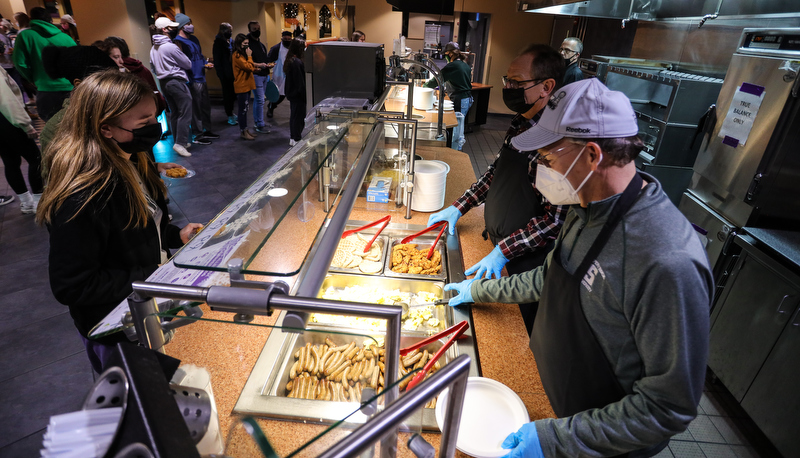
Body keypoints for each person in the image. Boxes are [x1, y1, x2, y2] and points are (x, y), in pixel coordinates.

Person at [446, 78, 713, 457]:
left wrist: (556, 440)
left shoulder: (666, 261)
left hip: (598, 439)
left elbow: (668, 405)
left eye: (548, 157)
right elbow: (553, 277)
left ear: (591, 155)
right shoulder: (585, 206)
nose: (541, 169)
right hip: (550, 397)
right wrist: (479, 291)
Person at [37, 70, 203, 374]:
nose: (155, 128)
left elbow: (142, 226)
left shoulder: (134, 160)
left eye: (154, 118)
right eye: (144, 123)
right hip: (116, 328)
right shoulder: (82, 195)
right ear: (107, 129)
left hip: (146, 307)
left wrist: (173, 236)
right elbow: (72, 285)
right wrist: (154, 275)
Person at [428, 44, 568, 335]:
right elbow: (496, 174)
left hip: (525, 263)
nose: (509, 88)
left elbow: (555, 221)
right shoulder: (521, 122)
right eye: (508, 81)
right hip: (498, 245)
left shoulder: (559, 143)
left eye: (517, 82)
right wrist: (459, 206)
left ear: (547, 86)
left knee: (512, 335)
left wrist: (503, 252)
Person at [39, 45, 118, 153]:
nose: (117, 87)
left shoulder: (118, 107)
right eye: (108, 82)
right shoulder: (57, 128)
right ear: (79, 84)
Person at [12, 7, 76, 121]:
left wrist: (32, 78)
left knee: (53, 131)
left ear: (31, 18)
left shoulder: (25, 36)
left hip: (46, 89)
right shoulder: (65, 37)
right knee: (76, 128)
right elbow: (77, 61)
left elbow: (19, 62)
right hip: (71, 89)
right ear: (50, 20)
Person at [0, 66, 42, 214]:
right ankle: (39, 202)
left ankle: (27, 203)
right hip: (7, 119)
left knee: (10, 161)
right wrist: (26, 125)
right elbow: (6, 100)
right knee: (35, 158)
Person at [150, 16, 194, 157]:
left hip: (164, 83)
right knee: (185, 111)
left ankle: (179, 141)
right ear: (165, 29)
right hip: (176, 81)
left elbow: (153, 68)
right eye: (172, 28)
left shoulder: (153, 48)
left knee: (175, 112)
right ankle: (180, 143)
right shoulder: (170, 47)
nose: (175, 29)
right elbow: (188, 64)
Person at [173, 13, 219, 143]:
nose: (191, 26)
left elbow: (199, 55)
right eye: (188, 24)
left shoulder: (194, 39)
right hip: (192, 79)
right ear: (181, 26)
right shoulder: (178, 42)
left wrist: (205, 64)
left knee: (205, 106)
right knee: (196, 108)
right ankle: (197, 135)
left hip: (201, 77)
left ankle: (206, 130)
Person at [424, 41, 472, 151]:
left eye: (446, 54)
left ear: (450, 54)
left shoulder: (452, 66)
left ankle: (455, 152)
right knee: (459, 126)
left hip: (460, 99)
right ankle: (456, 148)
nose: (445, 56)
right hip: (467, 98)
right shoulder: (464, 65)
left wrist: (425, 86)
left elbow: (437, 79)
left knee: (457, 129)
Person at [102, 36, 167, 114]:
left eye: (119, 57)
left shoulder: (126, 72)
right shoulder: (139, 67)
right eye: (116, 57)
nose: (121, 61)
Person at [232, 33, 268, 141]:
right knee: (242, 110)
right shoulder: (237, 55)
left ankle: (246, 129)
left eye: (248, 43)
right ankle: (243, 130)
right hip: (242, 86)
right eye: (245, 43)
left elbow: (249, 66)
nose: (247, 46)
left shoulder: (242, 55)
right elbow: (248, 66)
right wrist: (250, 56)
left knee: (246, 109)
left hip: (246, 85)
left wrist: (256, 65)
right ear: (239, 44)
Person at [246, 21, 272, 133]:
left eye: (258, 28)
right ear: (249, 30)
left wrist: (268, 64)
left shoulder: (260, 44)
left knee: (261, 100)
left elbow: (264, 58)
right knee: (260, 100)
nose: (257, 31)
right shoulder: (248, 45)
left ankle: (260, 121)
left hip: (264, 74)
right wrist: (260, 65)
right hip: (256, 75)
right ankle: (259, 124)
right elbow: (247, 61)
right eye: (254, 29)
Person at [213, 22, 237, 126]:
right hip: (225, 73)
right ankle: (229, 115)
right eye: (228, 31)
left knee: (232, 94)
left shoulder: (231, 42)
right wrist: (221, 74)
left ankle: (231, 112)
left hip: (232, 72)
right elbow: (217, 60)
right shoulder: (218, 43)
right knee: (227, 94)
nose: (230, 33)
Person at [283, 37, 306, 146]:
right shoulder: (297, 62)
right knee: (298, 117)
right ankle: (296, 138)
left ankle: (293, 137)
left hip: (292, 94)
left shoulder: (291, 60)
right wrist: (304, 94)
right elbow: (300, 82)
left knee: (294, 116)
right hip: (297, 95)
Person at [266, 30, 292, 119]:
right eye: (285, 39)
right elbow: (268, 60)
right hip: (279, 75)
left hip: (291, 75)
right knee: (279, 95)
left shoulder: (293, 48)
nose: (287, 40)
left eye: (289, 39)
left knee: (292, 95)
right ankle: (271, 107)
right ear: (282, 38)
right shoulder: (276, 48)